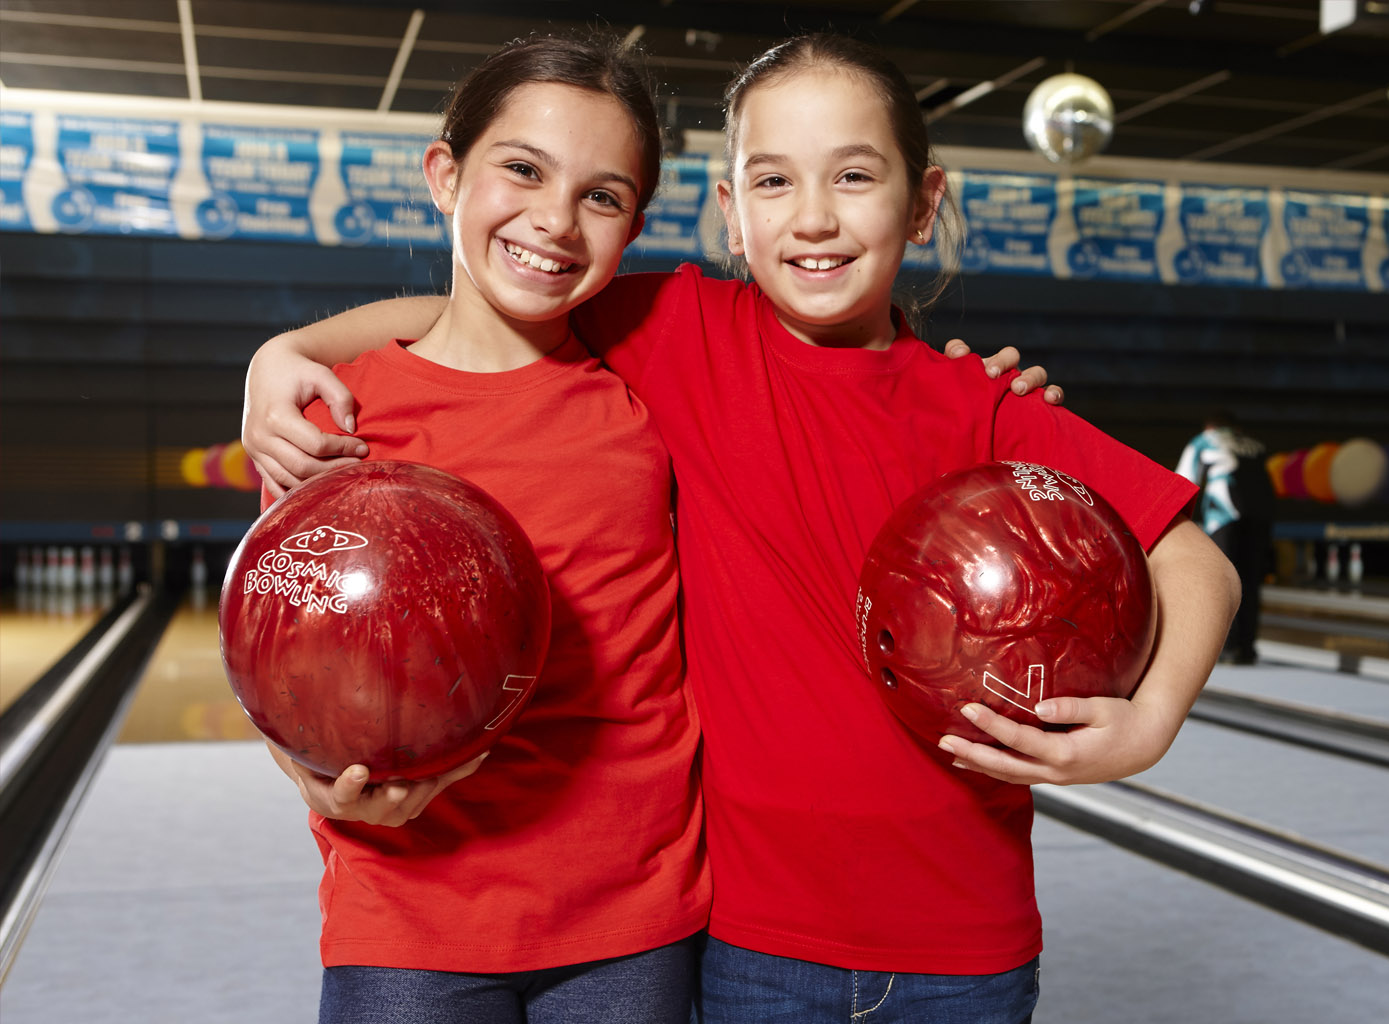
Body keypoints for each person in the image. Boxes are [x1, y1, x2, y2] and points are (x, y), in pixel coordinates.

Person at [246, 33, 1239, 1023]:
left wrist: (1145, 726)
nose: (813, 217)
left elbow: (1195, 561)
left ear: (924, 202)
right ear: (730, 212)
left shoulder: (981, 403)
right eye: (773, 181)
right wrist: (287, 350)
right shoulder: (678, 332)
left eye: (854, 176)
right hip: (753, 941)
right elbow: (500, 301)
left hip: (960, 937)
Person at [254, 37, 711, 1024]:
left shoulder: (655, 392)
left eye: (603, 195)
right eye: (523, 168)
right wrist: (315, 783)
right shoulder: (333, 416)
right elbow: (281, 661)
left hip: (630, 911)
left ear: (635, 225)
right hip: (406, 906)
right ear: (445, 174)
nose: (554, 218)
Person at [1176, 410, 1276, 665]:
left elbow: (1181, 483)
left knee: (1224, 582)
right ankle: (1247, 648)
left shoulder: (1204, 440)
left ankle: (1227, 647)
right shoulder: (1255, 446)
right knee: (1251, 583)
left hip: (1225, 518)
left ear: (1210, 426)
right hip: (1260, 521)